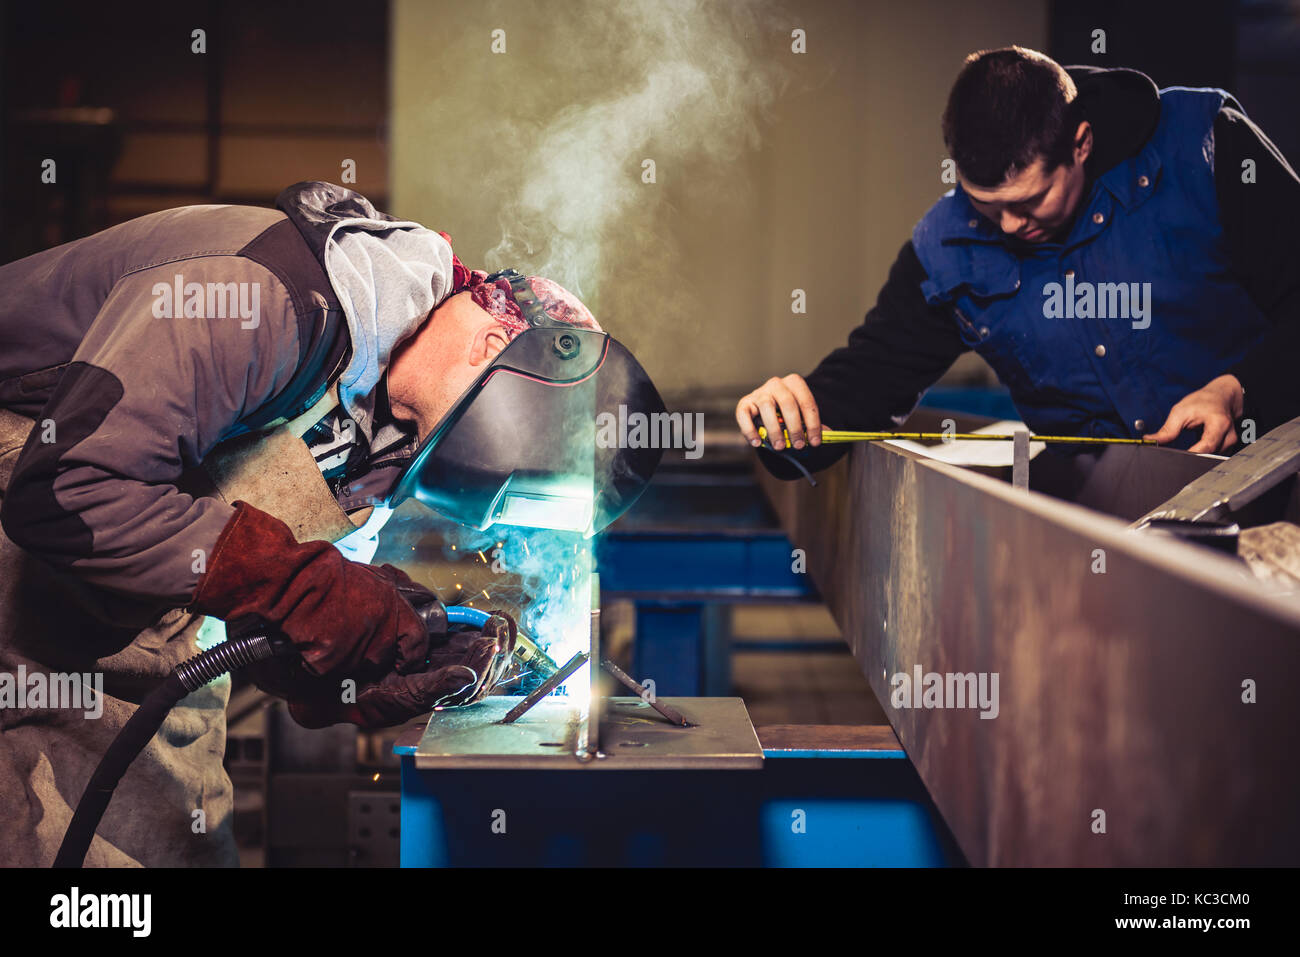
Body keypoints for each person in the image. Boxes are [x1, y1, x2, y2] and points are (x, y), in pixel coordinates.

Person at [0, 182, 599, 866]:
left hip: (139, 624)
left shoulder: (388, 441)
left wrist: (353, 659)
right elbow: (64, 490)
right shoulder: (264, 295)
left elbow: (254, 604)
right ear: (492, 341)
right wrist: (295, 584)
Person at [735, 47, 1300, 474]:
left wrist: (1240, 387)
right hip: (1110, 534)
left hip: (1274, 492)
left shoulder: (1203, 148)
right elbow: (869, 381)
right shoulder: (949, 248)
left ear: (1080, 144)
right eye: (987, 206)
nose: (1008, 226)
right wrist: (789, 415)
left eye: (1029, 201)